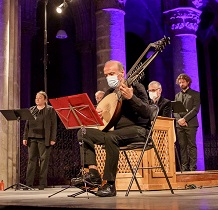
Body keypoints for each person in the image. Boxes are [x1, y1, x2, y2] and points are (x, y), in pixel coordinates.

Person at [71, 60, 152, 197]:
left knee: (110, 137)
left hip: (138, 130)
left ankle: (109, 184)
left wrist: (131, 98)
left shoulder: (136, 87)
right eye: (106, 75)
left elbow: (147, 113)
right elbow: (106, 120)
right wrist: (99, 115)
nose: (109, 77)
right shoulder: (109, 92)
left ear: (122, 73)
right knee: (83, 132)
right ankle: (93, 173)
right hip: (114, 132)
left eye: (112, 73)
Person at [22, 91, 57, 190]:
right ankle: (28, 184)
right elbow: (27, 125)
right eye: (36, 98)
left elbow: (54, 125)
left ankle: (42, 184)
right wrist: (25, 137)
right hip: (32, 138)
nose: (37, 99)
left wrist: (53, 138)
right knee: (31, 161)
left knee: (43, 161)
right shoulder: (32, 109)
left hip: (44, 139)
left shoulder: (50, 110)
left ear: (45, 99)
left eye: (40, 98)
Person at [174, 73, 200, 171]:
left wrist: (184, 119)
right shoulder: (177, 96)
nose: (181, 84)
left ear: (188, 82)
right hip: (180, 125)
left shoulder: (195, 94)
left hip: (191, 124)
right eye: (179, 83)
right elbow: (175, 110)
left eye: (183, 82)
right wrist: (179, 120)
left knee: (191, 145)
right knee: (182, 146)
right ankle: (184, 167)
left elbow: (195, 109)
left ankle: (192, 167)